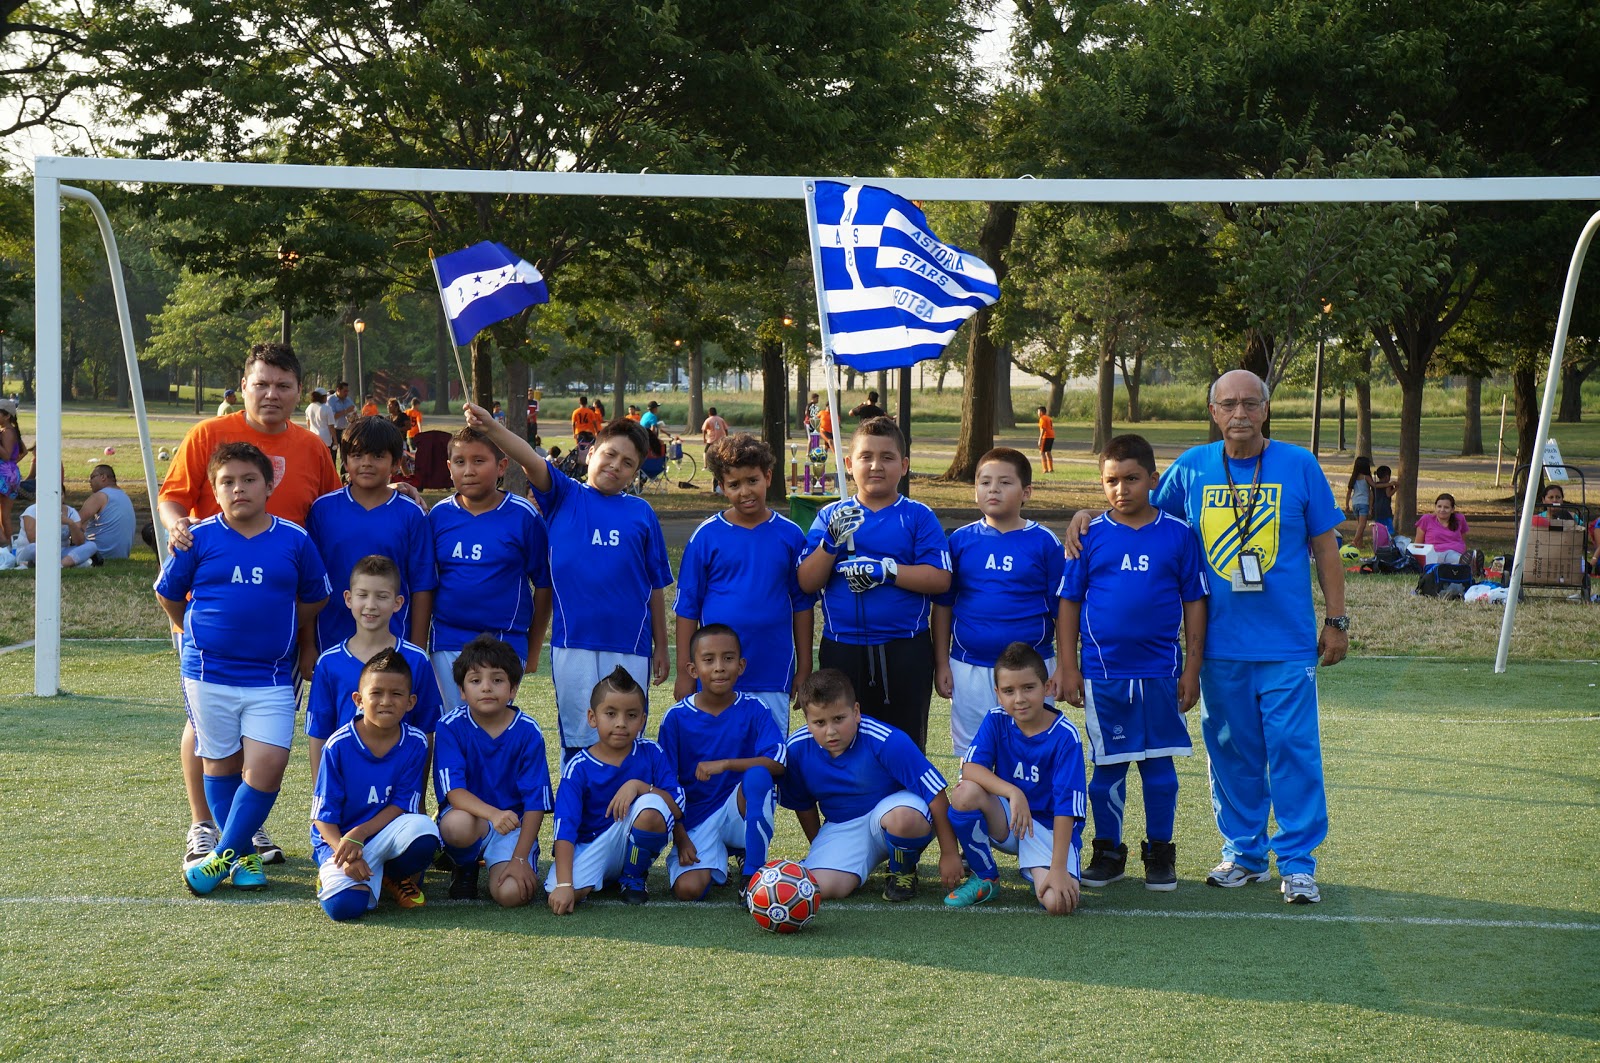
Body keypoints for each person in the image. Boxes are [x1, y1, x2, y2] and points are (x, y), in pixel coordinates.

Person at [1065, 371, 1346, 905]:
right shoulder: (1192, 467)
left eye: (1249, 403)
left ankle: (1298, 862)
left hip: (1286, 642)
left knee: (1292, 748)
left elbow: (1327, 549)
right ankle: (1243, 854)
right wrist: (1086, 515)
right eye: (1228, 404)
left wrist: (1336, 620)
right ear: (1213, 412)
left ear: (1266, 409)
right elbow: (1139, 514)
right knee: (1231, 751)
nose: (1239, 413)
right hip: (1217, 645)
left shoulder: (1299, 464)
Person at [158, 341, 341, 870]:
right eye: (261, 383)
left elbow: (328, 510)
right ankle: (204, 827)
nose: (271, 394)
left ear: (298, 392)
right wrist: (177, 529)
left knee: (262, 728)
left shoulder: (311, 447)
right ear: (244, 386)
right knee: (207, 724)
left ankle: (246, 833)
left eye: (283, 385)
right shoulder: (209, 436)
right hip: (212, 608)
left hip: (279, 615)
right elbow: (172, 498)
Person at [465, 403, 672, 765]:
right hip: (572, 643)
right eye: (610, 454)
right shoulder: (564, 494)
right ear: (590, 452)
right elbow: (529, 458)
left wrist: (663, 647)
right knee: (579, 736)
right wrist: (490, 429)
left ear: (636, 473)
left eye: (628, 464)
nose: (615, 466)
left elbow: (656, 586)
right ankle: (576, 816)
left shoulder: (641, 514)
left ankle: (622, 817)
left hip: (629, 645)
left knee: (623, 734)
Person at [1058, 434, 1208, 892]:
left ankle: (1159, 853)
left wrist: (1192, 669)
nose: (1121, 489)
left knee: (1160, 773)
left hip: (1162, 673)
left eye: (1131, 479)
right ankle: (1108, 851)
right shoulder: (1090, 535)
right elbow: (1068, 602)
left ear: (1152, 480)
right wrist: (1068, 666)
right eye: (1111, 480)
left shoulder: (1180, 535)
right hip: (1105, 676)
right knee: (1106, 773)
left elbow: (1195, 603)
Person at [797, 416, 951, 750]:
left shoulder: (917, 515)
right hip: (843, 648)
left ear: (904, 465)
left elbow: (939, 579)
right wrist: (830, 545)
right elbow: (807, 582)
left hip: (906, 648)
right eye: (866, 456)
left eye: (887, 457)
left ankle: (906, 803)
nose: (876, 465)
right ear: (850, 464)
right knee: (844, 744)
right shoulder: (831, 516)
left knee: (905, 745)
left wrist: (888, 571)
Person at [779, 669, 963, 901]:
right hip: (842, 825)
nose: (831, 731)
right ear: (806, 722)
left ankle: (902, 871)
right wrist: (823, 848)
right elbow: (802, 804)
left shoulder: (886, 740)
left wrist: (949, 852)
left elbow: (935, 793)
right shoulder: (796, 749)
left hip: (893, 814)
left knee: (904, 819)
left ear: (855, 712)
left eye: (839, 719)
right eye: (819, 723)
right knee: (819, 889)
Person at [674, 434, 814, 731]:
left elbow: (802, 605)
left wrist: (804, 668)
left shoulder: (790, 535)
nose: (745, 492)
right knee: (716, 757)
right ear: (721, 487)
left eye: (752, 480)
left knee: (767, 761)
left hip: (772, 670)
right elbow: (687, 607)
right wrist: (686, 673)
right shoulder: (706, 536)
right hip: (715, 675)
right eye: (734, 485)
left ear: (768, 476)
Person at [932, 447, 1066, 757]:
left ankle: (1029, 807)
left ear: (1026, 492)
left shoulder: (1045, 542)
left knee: (1031, 753)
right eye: (984, 482)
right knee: (974, 756)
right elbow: (943, 606)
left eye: (1005, 482)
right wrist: (941, 662)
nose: (993, 489)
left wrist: (1065, 666)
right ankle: (977, 807)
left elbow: (1062, 609)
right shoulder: (959, 541)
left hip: (1032, 669)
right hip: (970, 668)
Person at [943, 643, 1086, 914]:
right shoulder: (997, 720)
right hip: (1010, 819)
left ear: (1046, 688)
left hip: (1048, 830)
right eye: (1009, 691)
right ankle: (985, 876)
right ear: (998, 694)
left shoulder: (1066, 736)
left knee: (1059, 904)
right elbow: (971, 768)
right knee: (965, 793)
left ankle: (1039, 868)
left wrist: (1057, 869)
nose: (1019, 699)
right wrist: (1013, 792)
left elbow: (1067, 808)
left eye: (1028, 688)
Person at [426, 426, 552, 707]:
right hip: (448, 639)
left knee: (492, 724)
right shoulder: (438, 516)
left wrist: (533, 648)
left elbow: (544, 585)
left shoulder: (523, 516)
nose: (468, 470)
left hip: (504, 640)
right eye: (460, 462)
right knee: (453, 725)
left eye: (479, 461)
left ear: (501, 466)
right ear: (449, 468)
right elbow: (426, 583)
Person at [658, 625, 786, 901]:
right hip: (696, 818)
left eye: (728, 659)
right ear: (693, 670)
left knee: (759, 777)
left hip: (737, 807)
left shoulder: (755, 708)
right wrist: (680, 837)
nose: (719, 667)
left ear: (741, 666)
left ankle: (752, 872)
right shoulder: (675, 718)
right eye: (709, 660)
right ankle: (722, 855)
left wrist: (726, 764)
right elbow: (665, 786)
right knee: (688, 890)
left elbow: (777, 764)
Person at [311, 649, 441, 919]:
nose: (386, 701)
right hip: (340, 841)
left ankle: (391, 875)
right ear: (359, 699)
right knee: (346, 907)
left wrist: (362, 832)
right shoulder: (338, 745)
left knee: (426, 832)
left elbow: (402, 805)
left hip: (380, 833)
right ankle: (333, 875)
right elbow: (322, 818)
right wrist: (346, 851)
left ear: (410, 702)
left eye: (396, 694)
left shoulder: (416, 742)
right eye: (376, 693)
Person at [546, 666, 688, 910]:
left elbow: (675, 808)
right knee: (561, 892)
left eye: (631, 715)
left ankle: (633, 876)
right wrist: (564, 885)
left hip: (632, 836)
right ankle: (607, 874)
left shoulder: (652, 753)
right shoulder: (578, 767)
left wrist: (638, 786)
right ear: (592, 717)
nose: (621, 723)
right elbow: (565, 827)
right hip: (593, 844)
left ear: (643, 719)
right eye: (610, 714)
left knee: (652, 805)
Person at [435, 634, 554, 906]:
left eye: (497, 680)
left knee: (513, 895)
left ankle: (506, 860)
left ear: (513, 689)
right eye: (476, 681)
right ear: (462, 691)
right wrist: (493, 814)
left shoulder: (527, 730)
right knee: (457, 825)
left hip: (512, 827)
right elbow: (454, 793)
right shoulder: (450, 726)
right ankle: (464, 865)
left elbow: (535, 803)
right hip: (473, 819)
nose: (486, 688)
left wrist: (520, 858)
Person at [305, 555, 443, 785]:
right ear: (348, 599)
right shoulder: (329, 663)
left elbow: (426, 731)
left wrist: (417, 798)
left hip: (399, 784)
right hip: (345, 784)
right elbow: (320, 733)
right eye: (363, 595)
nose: (371, 605)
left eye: (382, 597)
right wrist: (322, 796)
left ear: (398, 603)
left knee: (419, 824)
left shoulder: (416, 660)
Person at [306, 416, 436, 656]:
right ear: (344, 461)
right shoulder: (322, 510)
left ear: (396, 463)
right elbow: (308, 583)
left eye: (377, 456)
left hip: (393, 645)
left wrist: (417, 649)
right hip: (331, 640)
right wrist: (307, 646)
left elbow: (422, 585)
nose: (366, 463)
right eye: (357, 455)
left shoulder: (411, 514)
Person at [76, 464, 136, 560]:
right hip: (121, 556)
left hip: (98, 554)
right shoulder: (124, 496)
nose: (89, 481)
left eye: (92, 477)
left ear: (103, 477)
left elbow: (75, 521)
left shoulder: (101, 496)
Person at [17, 499, 95, 568]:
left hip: (60, 551)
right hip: (36, 551)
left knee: (91, 545)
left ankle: (59, 565)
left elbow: (79, 542)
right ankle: (72, 562)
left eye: (60, 493)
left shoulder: (71, 512)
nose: (57, 497)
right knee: (34, 547)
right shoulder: (33, 510)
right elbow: (32, 539)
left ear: (64, 495)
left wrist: (70, 523)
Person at [1414, 492, 1469, 564]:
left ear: (1452, 509)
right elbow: (1418, 544)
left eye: (1446, 507)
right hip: (1435, 554)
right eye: (1439, 506)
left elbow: (1463, 541)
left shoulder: (1460, 518)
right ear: (1435, 507)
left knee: (1453, 556)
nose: (1442, 510)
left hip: (1456, 552)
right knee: (1451, 557)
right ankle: (1467, 563)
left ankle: (1466, 563)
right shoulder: (1426, 519)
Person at [0, 400, 26, 544]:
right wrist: (11, 466)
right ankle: (10, 546)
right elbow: (24, 452)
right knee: (5, 515)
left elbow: (6, 454)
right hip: (9, 474)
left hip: (3, 476)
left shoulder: (7, 432)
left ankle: (4, 544)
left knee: (4, 515)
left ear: (7, 416)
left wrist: (8, 465)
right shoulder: (12, 431)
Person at [1344, 456, 1375, 549]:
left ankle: (1360, 545)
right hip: (1363, 503)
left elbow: (1349, 492)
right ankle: (1354, 542)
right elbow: (1374, 486)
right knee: (1362, 525)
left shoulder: (1354, 478)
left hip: (1355, 503)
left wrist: (1346, 505)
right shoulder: (1366, 477)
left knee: (1359, 526)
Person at [327, 381, 356, 473]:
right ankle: (332, 474)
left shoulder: (348, 400)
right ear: (338, 390)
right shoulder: (330, 400)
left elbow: (353, 411)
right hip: (333, 431)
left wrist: (353, 416)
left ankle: (344, 476)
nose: (346, 393)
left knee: (345, 453)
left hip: (345, 430)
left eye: (347, 391)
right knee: (333, 454)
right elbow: (332, 416)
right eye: (345, 391)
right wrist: (346, 411)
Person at [305, 388, 335, 466]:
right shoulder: (327, 408)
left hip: (313, 437)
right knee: (325, 459)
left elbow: (308, 423)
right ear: (323, 397)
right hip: (325, 438)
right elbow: (331, 426)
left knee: (314, 460)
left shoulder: (309, 407)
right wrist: (335, 440)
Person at [1371, 465, 1397, 543]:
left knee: (1378, 527)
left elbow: (1371, 496)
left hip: (1376, 509)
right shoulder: (1388, 485)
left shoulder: (1375, 486)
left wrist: (1370, 507)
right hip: (1385, 509)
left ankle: (1379, 540)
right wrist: (1396, 488)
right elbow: (1388, 494)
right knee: (1388, 527)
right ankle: (1389, 541)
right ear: (1387, 476)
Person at [1036, 405, 1056, 474]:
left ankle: (1045, 469)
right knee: (1048, 452)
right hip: (1051, 436)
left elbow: (1043, 429)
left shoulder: (1042, 419)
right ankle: (1051, 469)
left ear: (1041, 412)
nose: (1037, 413)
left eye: (1038, 411)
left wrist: (1040, 439)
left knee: (1042, 452)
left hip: (1046, 436)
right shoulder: (1048, 418)